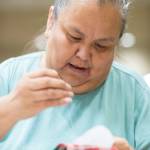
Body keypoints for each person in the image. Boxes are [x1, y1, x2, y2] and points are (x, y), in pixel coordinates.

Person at [0, 0, 150, 149]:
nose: (84, 55)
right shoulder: (7, 77)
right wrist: (12, 107)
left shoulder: (136, 95)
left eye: (101, 46)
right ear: (51, 21)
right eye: (74, 37)